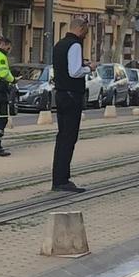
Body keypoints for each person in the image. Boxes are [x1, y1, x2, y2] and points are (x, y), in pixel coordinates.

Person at [51, 17, 91, 192]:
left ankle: (58, 178)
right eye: (86, 31)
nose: (86, 35)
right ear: (81, 29)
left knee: (62, 137)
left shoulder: (59, 45)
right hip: (71, 95)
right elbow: (74, 72)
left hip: (60, 94)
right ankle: (62, 180)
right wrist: (90, 68)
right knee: (69, 138)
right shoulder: (75, 45)